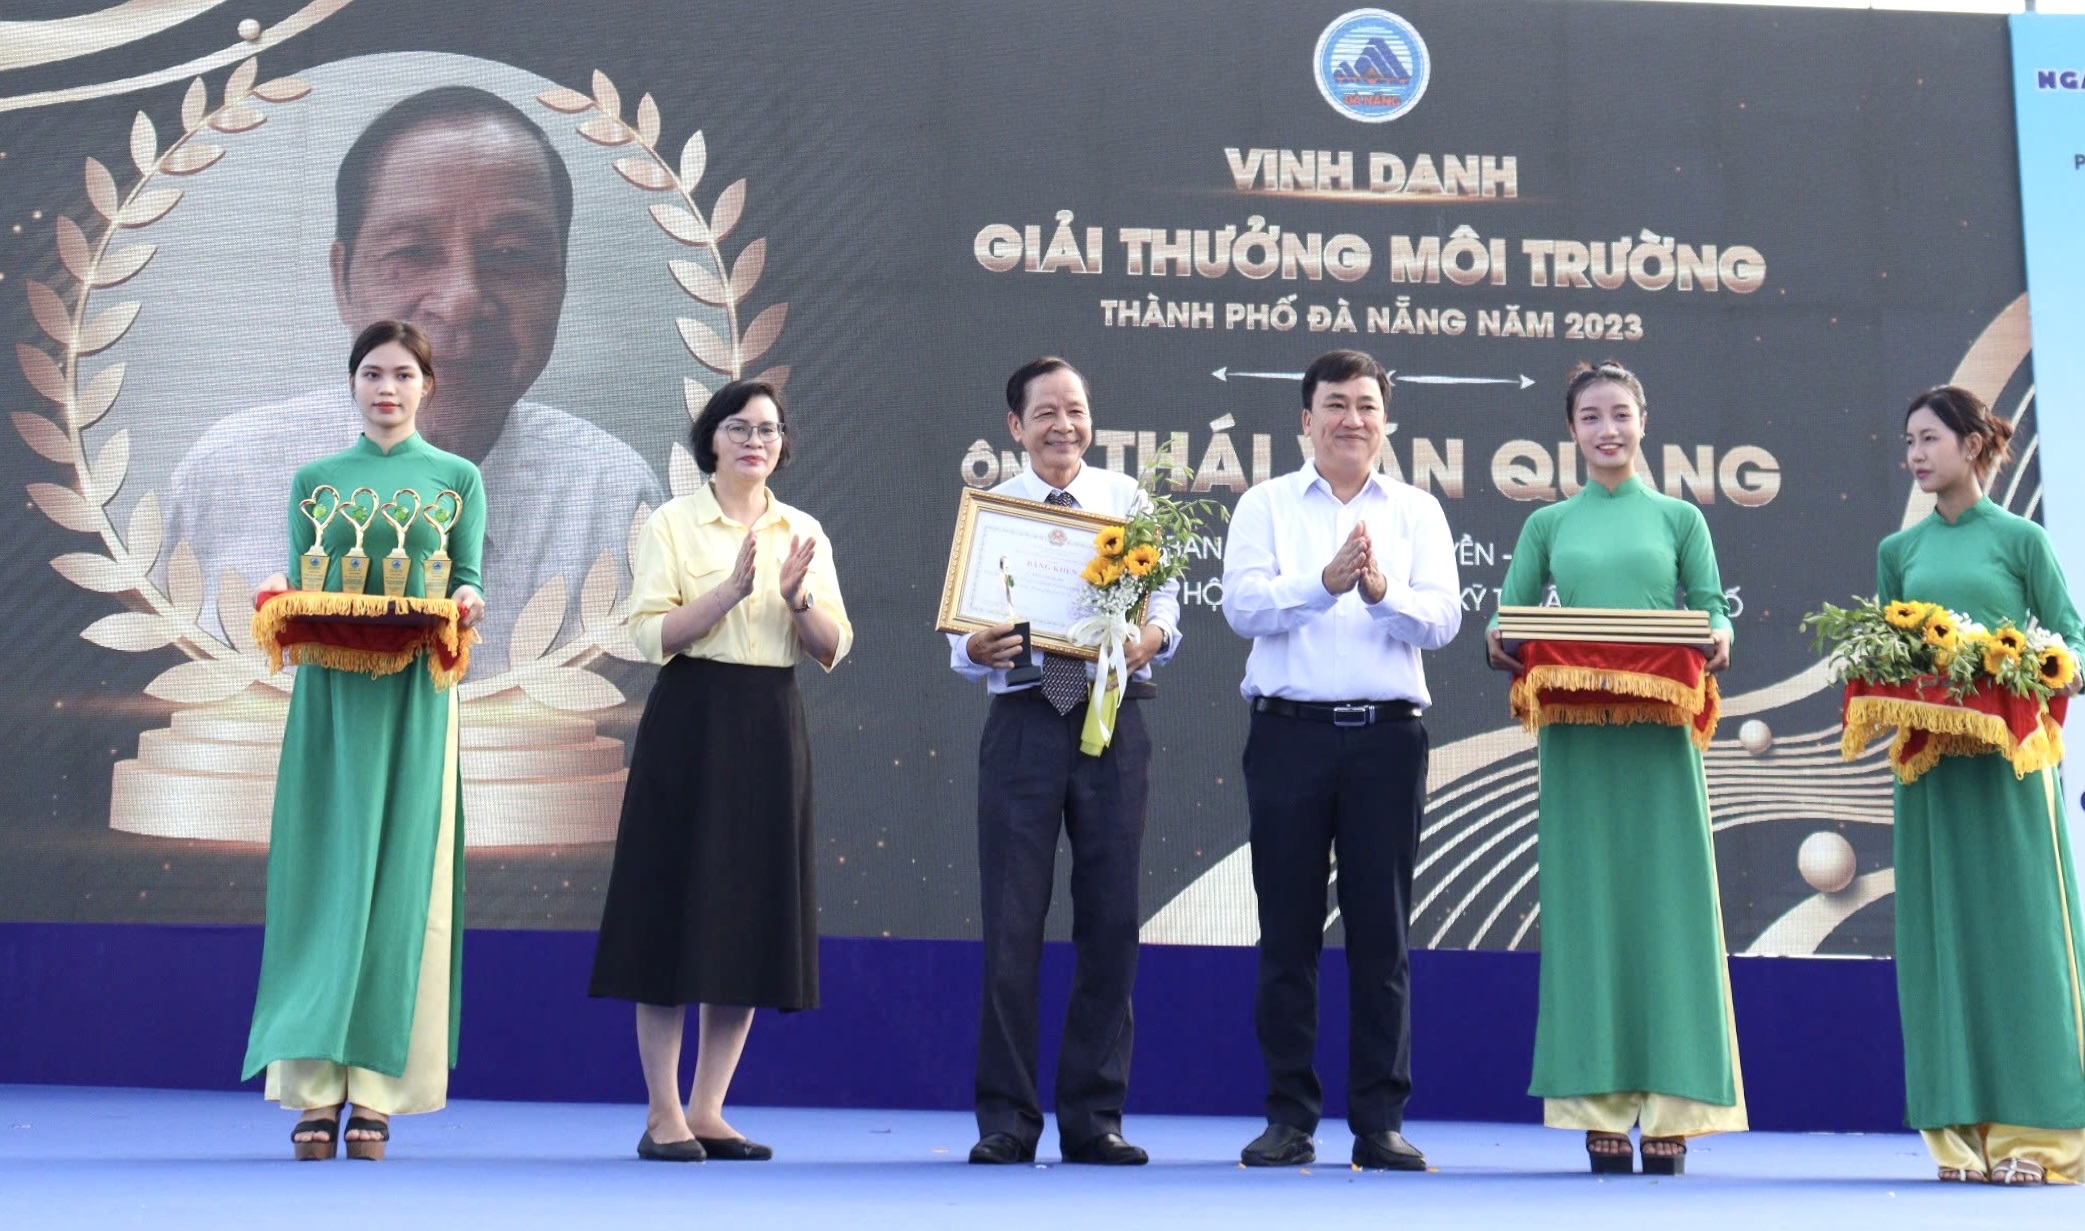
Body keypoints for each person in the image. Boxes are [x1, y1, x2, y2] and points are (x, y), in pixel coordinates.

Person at [164, 84, 661, 674]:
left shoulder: (612, 500)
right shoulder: (230, 478)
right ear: (343, 281)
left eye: (511, 253)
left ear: (560, 282)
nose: (462, 301)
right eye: (412, 251)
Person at [1482, 360, 1746, 1175]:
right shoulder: (1546, 525)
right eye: (1590, 416)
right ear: (1570, 431)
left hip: (1661, 742)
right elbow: (1508, 619)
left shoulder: (1678, 517)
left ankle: (1673, 1105)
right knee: (1587, 909)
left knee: (1670, 912)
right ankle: (1596, 1107)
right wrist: (1499, 641)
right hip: (1576, 743)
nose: (1607, 429)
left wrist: (1717, 636)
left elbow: (1709, 608)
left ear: (1643, 420)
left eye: (1620, 413)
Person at [242, 319, 487, 1160]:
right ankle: (312, 1089)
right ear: (352, 384)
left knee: (399, 883)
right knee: (325, 875)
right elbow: (299, 580)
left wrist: (467, 603)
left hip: (418, 696)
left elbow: (466, 577)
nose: (387, 388)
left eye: (404, 374)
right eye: (373, 373)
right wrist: (278, 589)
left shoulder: (457, 478)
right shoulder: (316, 481)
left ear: (428, 386)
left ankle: (377, 1090)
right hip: (330, 697)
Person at [588, 380, 851, 1162]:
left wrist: (795, 598)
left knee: (745, 918)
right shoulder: (672, 522)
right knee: (668, 915)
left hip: (770, 721)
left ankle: (710, 1108)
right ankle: (662, 1111)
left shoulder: (801, 529)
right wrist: (730, 591)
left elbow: (834, 645)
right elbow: (647, 634)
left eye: (768, 429)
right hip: (690, 721)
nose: (754, 441)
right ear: (711, 440)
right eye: (739, 427)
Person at [1220, 349, 1460, 1171]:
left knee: (1380, 935)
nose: (1350, 419)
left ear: (1384, 420)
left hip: (1386, 741)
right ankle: (1288, 1115)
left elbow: (1442, 620)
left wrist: (1378, 591)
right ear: (1304, 419)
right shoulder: (1264, 504)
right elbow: (1242, 606)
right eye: (1334, 405)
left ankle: (1378, 1121)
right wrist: (1321, 583)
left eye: (1365, 405)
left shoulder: (1418, 510)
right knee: (1285, 931)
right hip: (1288, 734)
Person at [949, 357, 1181, 1166]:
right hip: (1022, 721)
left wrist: (1149, 637)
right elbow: (963, 636)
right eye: (1044, 412)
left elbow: (1165, 609)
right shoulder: (995, 511)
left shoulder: (1127, 504)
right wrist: (974, 645)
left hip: (1112, 722)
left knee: (1111, 921)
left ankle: (1094, 1116)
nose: (1062, 425)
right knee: (1011, 923)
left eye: (1074, 409)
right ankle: (1007, 1119)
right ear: (1015, 427)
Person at [1880, 385, 2085, 1186]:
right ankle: (1958, 1141)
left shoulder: (2021, 540)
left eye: (1928, 438)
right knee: (1945, 942)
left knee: (2022, 940)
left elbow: (2072, 640)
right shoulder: (1898, 551)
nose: (1914, 454)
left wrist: (2027, 668)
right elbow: (1887, 650)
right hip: (1933, 773)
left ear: (1972, 445)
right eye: (1907, 442)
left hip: (2011, 769)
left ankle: (2038, 1138)